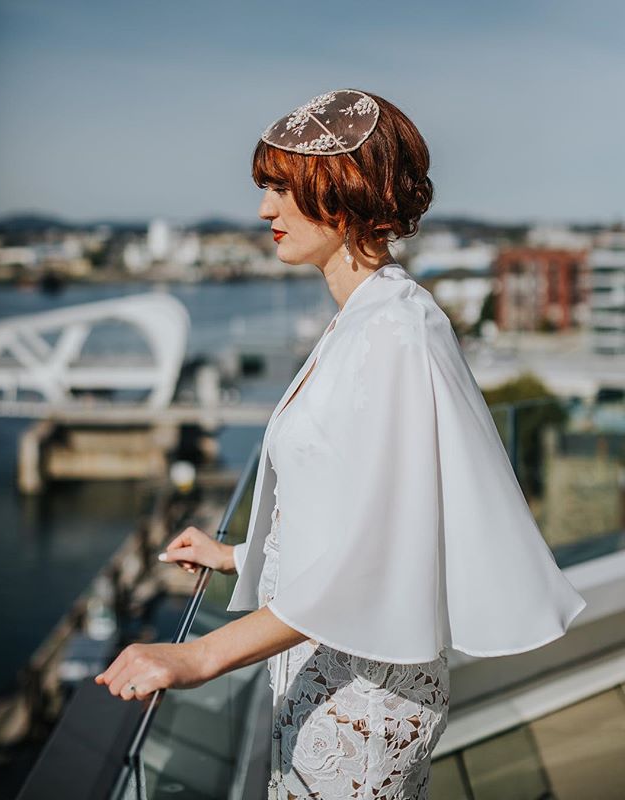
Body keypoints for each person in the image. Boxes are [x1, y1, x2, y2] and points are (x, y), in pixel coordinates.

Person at [96, 89, 587, 800]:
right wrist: (238, 555)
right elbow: (356, 510)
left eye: (281, 187)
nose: (265, 210)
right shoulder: (365, 319)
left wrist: (196, 657)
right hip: (332, 677)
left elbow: (376, 550)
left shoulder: (394, 330)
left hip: (359, 701)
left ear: (340, 192)